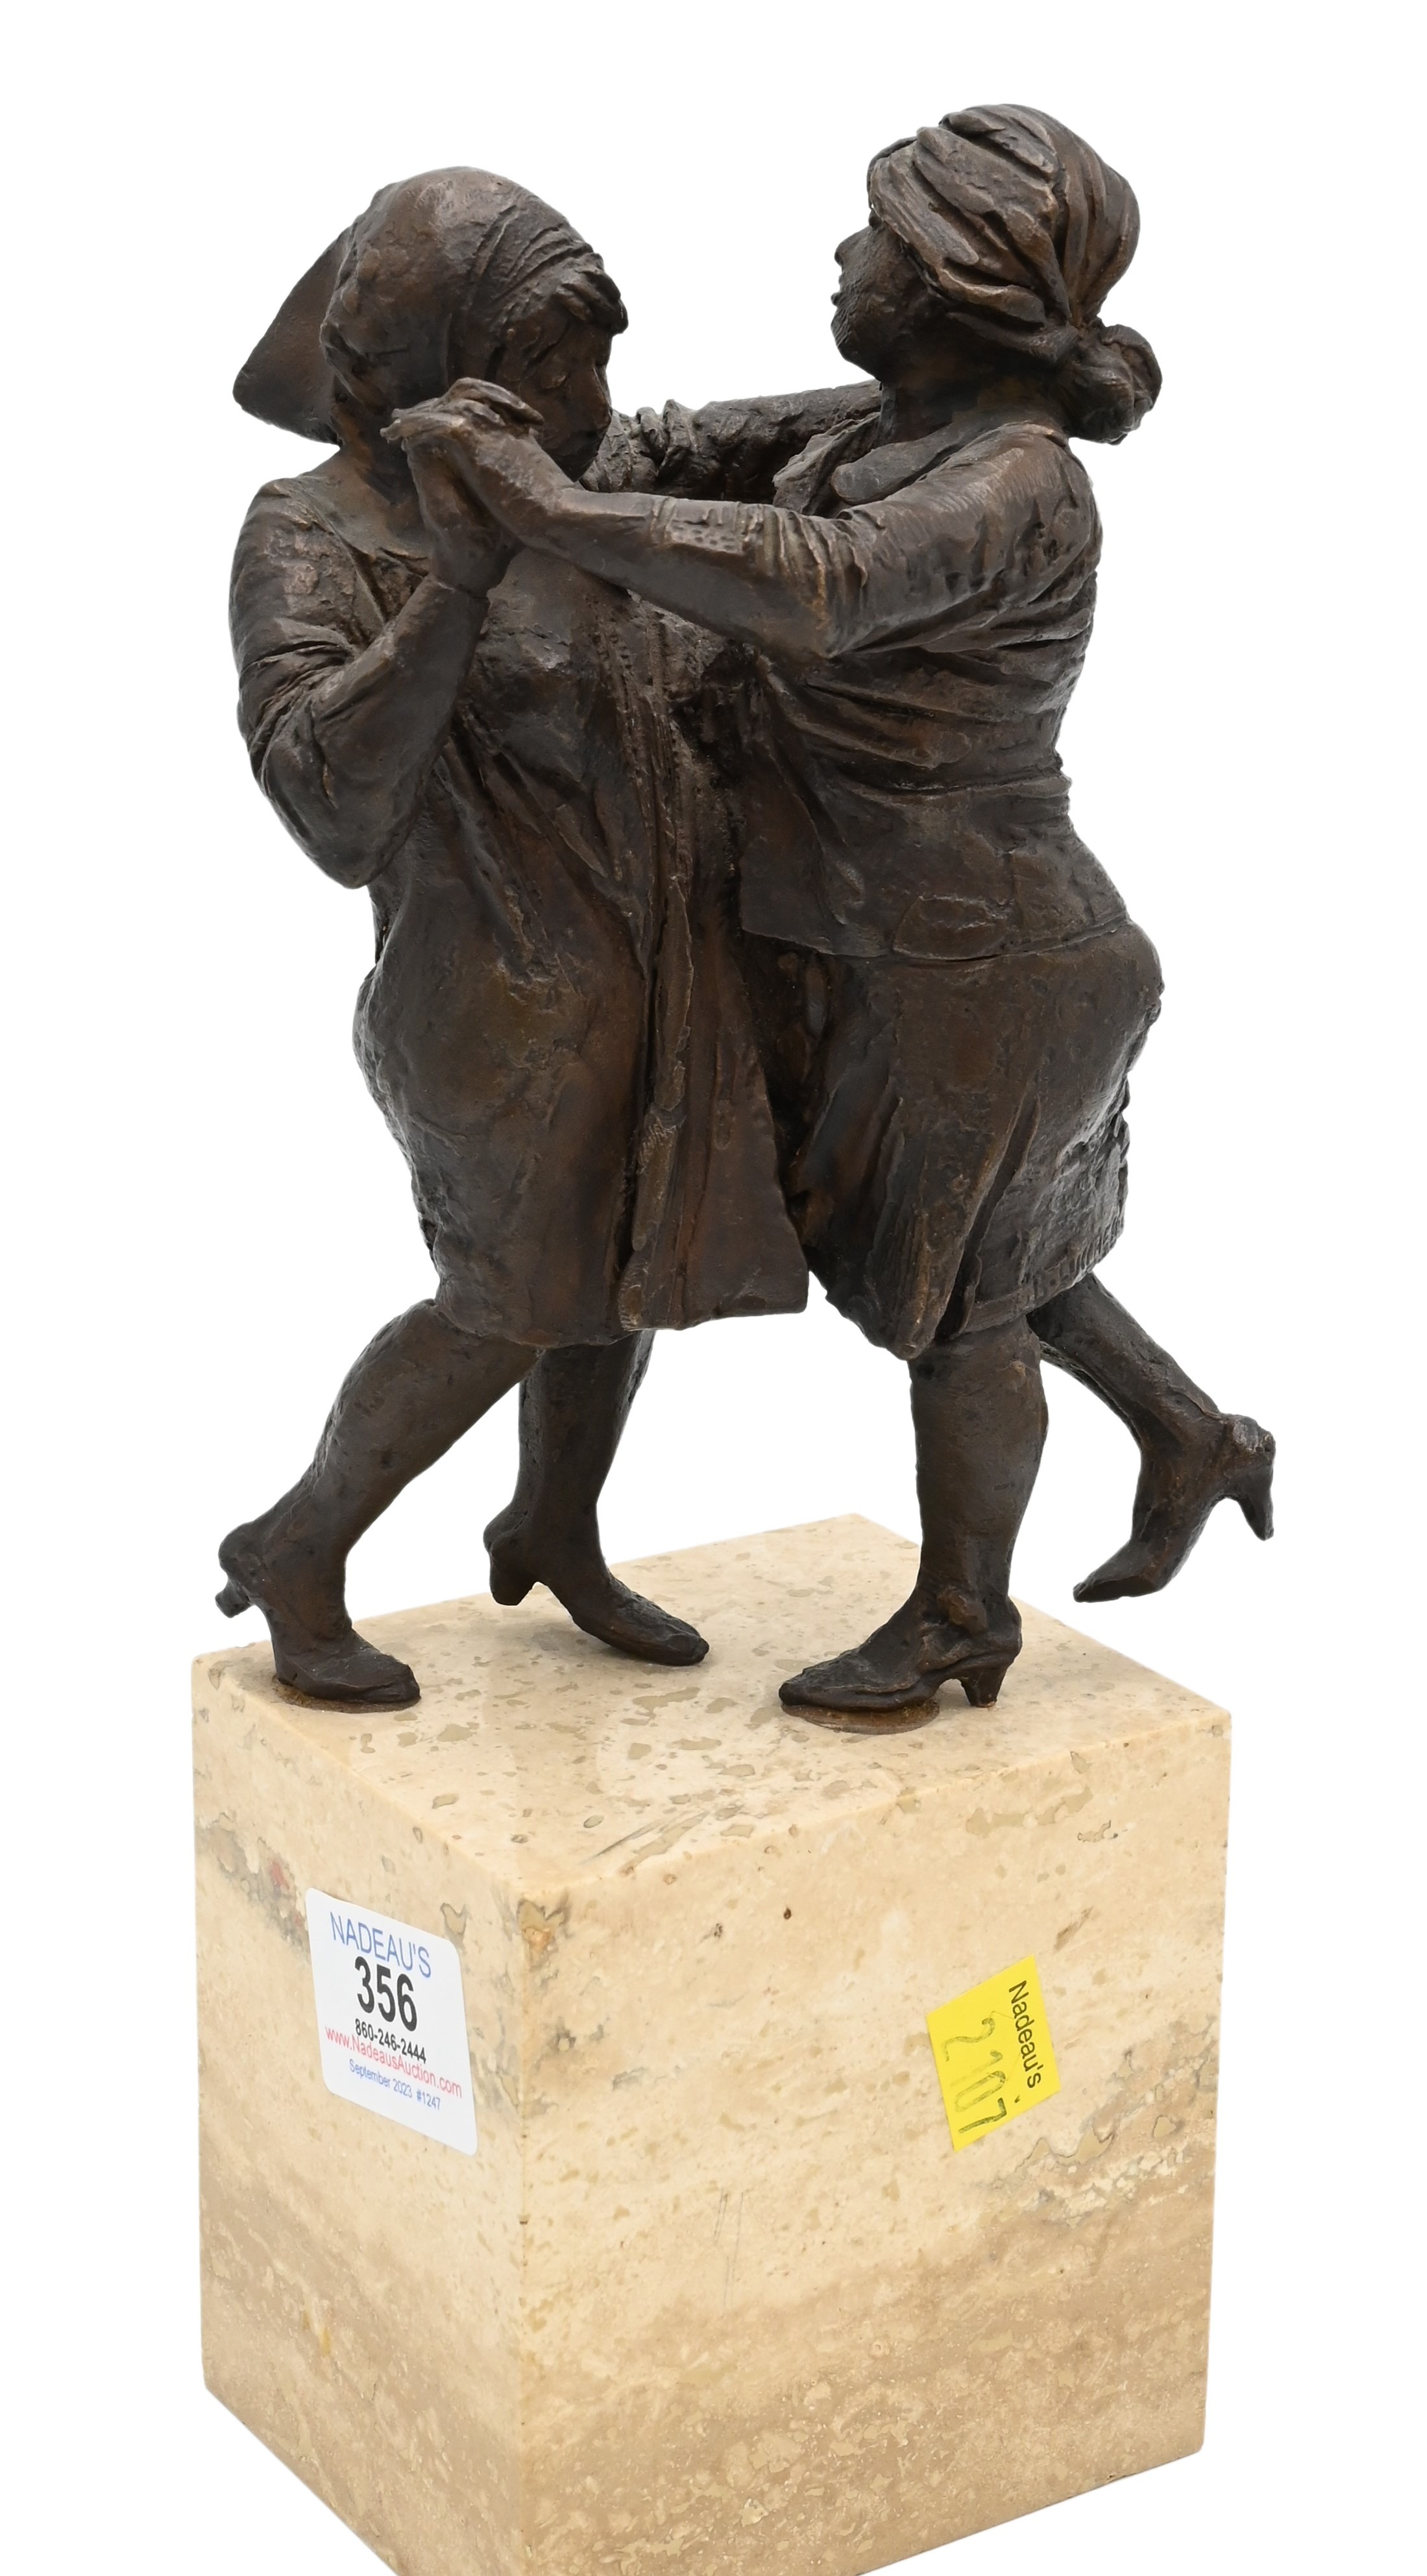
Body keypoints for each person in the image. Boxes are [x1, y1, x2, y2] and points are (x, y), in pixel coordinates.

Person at [382, 105, 1275, 1714]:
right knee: (949, 1247)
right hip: (863, 940)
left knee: (958, 1310)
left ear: (949, 286)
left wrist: (546, 511)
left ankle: (960, 1618)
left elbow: (818, 583)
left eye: (872, 236)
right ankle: (1188, 1432)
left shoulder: (1016, 482)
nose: (842, 256)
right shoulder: (884, 422)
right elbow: (673, 453)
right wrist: (487, 446)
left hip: (979, 958)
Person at [221, 167, 880, 1705]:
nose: (593, 405)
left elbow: (789, 428)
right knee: (504, 1299)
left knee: (620, 1266)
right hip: (495, 1002)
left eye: (598, 361)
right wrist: (456, 579)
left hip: (660, 966)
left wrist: (975, 384)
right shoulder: (310, 536)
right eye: (552, 371)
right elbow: (327, 804)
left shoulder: (586, 464)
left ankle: (552, 1524)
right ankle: (297, 1541)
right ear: (438, 367)